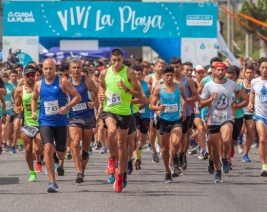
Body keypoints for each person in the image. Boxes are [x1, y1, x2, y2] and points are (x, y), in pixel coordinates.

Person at [31, 59, 81, 193]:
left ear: (55, 69)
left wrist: (67, 107)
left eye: (50, 69)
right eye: (45, 69)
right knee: (47, 147)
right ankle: (52, 182)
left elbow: (77, 97)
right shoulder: (38, 84)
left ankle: (56, 158)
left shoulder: (62, 81)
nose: (48, 71)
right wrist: (33, 111)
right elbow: (34, 98)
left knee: (60, 153)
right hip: (45, 121)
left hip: (60, 122)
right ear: (42, 69)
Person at [98, 48, 142, 193]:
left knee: (122, 144)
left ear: (122, 59)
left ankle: (121, 174)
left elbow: (139, 94)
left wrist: (126, 89)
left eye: (119, 60)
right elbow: (101, 87)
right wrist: (101, 95)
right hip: (109, 109)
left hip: (124, 112)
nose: (116, 63)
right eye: (114, 60)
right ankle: (111, 159)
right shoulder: (105, 72)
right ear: (111, 59)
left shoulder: (129, 72)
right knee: (111, 131)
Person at [200, 62, 242, 183]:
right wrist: (210, 99)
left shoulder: (232, 84)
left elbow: (238, 91)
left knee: (226, 139)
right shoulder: (208, 86)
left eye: (222, 70)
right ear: (214, 71)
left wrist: (234, 102)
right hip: (213, 119)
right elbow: (201, 103)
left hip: (227, 117)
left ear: (225, 71)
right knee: (213, 149)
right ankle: (218, 171)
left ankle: (224, 158)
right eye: (218, 70)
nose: (220, 72)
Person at [150, 65, 187, 183]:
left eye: (171, 75)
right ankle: (167, 172)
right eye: (167, 76)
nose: (169, 78)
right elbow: (151, 105)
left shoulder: (179, 87)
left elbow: (185, 99)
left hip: (177, 119)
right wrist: (158, 109)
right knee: (165, 149)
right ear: (162, 76)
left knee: (176, 142)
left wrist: (184, 111)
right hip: (164, 120)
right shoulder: (158, 89)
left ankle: (175, 157)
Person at [67, 59, 98, 183]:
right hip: (73, 116)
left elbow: (99, 93)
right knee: (74, 143)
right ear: (70, 69)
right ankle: (78, 171)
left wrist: (94, 103)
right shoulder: (66, 82)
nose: (76, 70)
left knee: (85, 150)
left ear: (81, 69)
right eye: (73, 67)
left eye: (78, 67)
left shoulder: (87, 81)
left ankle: (82, 171)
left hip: (87, 116)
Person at [14, 65, 44, 181]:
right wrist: (16, 108)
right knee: (27, 149)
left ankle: (39, 160)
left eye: (32, 75)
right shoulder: (20, 90)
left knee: (38, 149)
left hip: (41, 122)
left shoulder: (41, 87)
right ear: (24, 76)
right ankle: (32, 172)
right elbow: (16, 105)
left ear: (35, 76)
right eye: (28, 75)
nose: (30, 77)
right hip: (27, 123)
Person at [170, 57, 199, 172]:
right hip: (171, 114)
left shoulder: (188, 81)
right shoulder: (167, 80)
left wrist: (186, 100)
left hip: (186, 113)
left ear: (181, 67)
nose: (175, 69)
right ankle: (175, 159)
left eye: (177, 66)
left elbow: (197, 96)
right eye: (173, 67)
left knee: (183, 138)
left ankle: (182, 155)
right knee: (174, 140)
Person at [237, 65, 256, 162]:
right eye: (247, 72)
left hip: (251, 111)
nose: (249, 74)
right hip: (240, 110)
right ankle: (239, 141)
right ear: (244, 73)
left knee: (250, 131)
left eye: (250, 72)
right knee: (241, 129)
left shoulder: (256, 83)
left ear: (253, 73)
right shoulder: (240, 83)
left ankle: (245, 153)